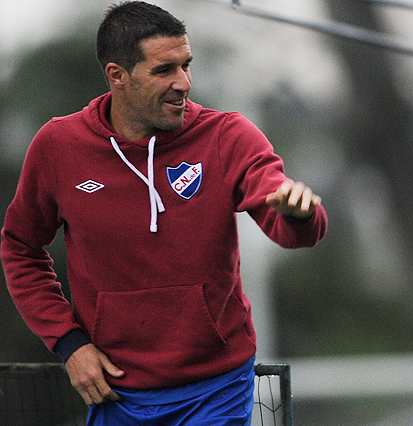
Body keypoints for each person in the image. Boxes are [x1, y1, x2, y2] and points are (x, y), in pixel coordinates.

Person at [0, 1, 327, 425]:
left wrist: (299, 215)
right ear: (116, 75)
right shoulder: (59, 146)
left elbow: (289, 226)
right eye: (164, 70)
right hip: (115, 392)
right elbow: (20, 248)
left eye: (186, 65)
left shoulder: (228, 136)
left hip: (218, 387)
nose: (184, 82)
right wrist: (69, 343)